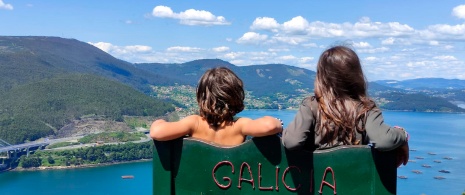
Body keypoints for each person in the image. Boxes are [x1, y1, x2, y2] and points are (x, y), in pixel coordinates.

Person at [282, 45, 409, 167]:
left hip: (316, 185)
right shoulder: (367, 108)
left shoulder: (310, 105)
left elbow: (292, 142)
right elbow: (383, 140)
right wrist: (402, 135)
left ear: (321, 76)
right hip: (353, 183)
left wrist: (279, 130)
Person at [150, 67, 283, 146]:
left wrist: (159, 121)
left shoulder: (194, 123)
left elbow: (156, 132)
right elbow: (270, 126)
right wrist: (279, 122)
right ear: (236, 96)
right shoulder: (240, 125)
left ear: (202, 97)